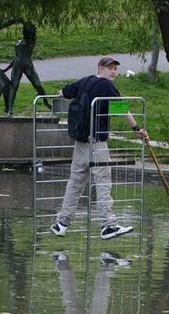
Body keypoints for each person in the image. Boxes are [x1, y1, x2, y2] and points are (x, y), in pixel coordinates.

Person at [50, 56, 147, 240]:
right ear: (100, 68)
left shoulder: (85, 81)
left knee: (75, 182)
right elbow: (122, 110)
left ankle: (62, 223)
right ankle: (108, 226)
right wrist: (137, 130)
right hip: (97, 143)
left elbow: (63, 92)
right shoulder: (106, 86)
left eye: (115, 69)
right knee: (103, 183)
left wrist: (59, 92)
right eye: (110, 68)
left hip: (80, 141)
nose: (113, 72)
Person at [3, 22, 51, 115]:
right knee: (14, 86)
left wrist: (25, 23)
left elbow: (31, 31)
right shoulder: (20, 41)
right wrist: (6, 69)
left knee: (37, 84)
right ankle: (9, 110)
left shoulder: (31, 41)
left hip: (28, 65)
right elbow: (17, 58)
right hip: (18, 65)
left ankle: (46, 102)